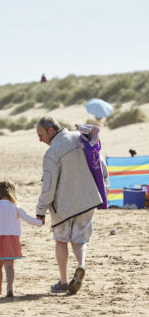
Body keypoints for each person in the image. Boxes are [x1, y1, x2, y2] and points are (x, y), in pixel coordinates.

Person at [35, 116, 106, 295]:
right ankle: (81, 265)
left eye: (41, 134)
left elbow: (48, 187)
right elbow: (100, 163)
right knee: (80, 239)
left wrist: (40, 210)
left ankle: (64, 281)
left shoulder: (52, 153)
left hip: (64, 206)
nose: (40, 139)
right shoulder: (81, 138)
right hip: (88, 199)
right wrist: (103, 186)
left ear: (51, 130)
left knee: (61, 240)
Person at [0, 180, 43, 298]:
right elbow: (28, 218)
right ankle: (9, 287)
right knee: (9, 266)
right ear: (12, 192)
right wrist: (39, 222)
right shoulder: (15, 206)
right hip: (12, 238)